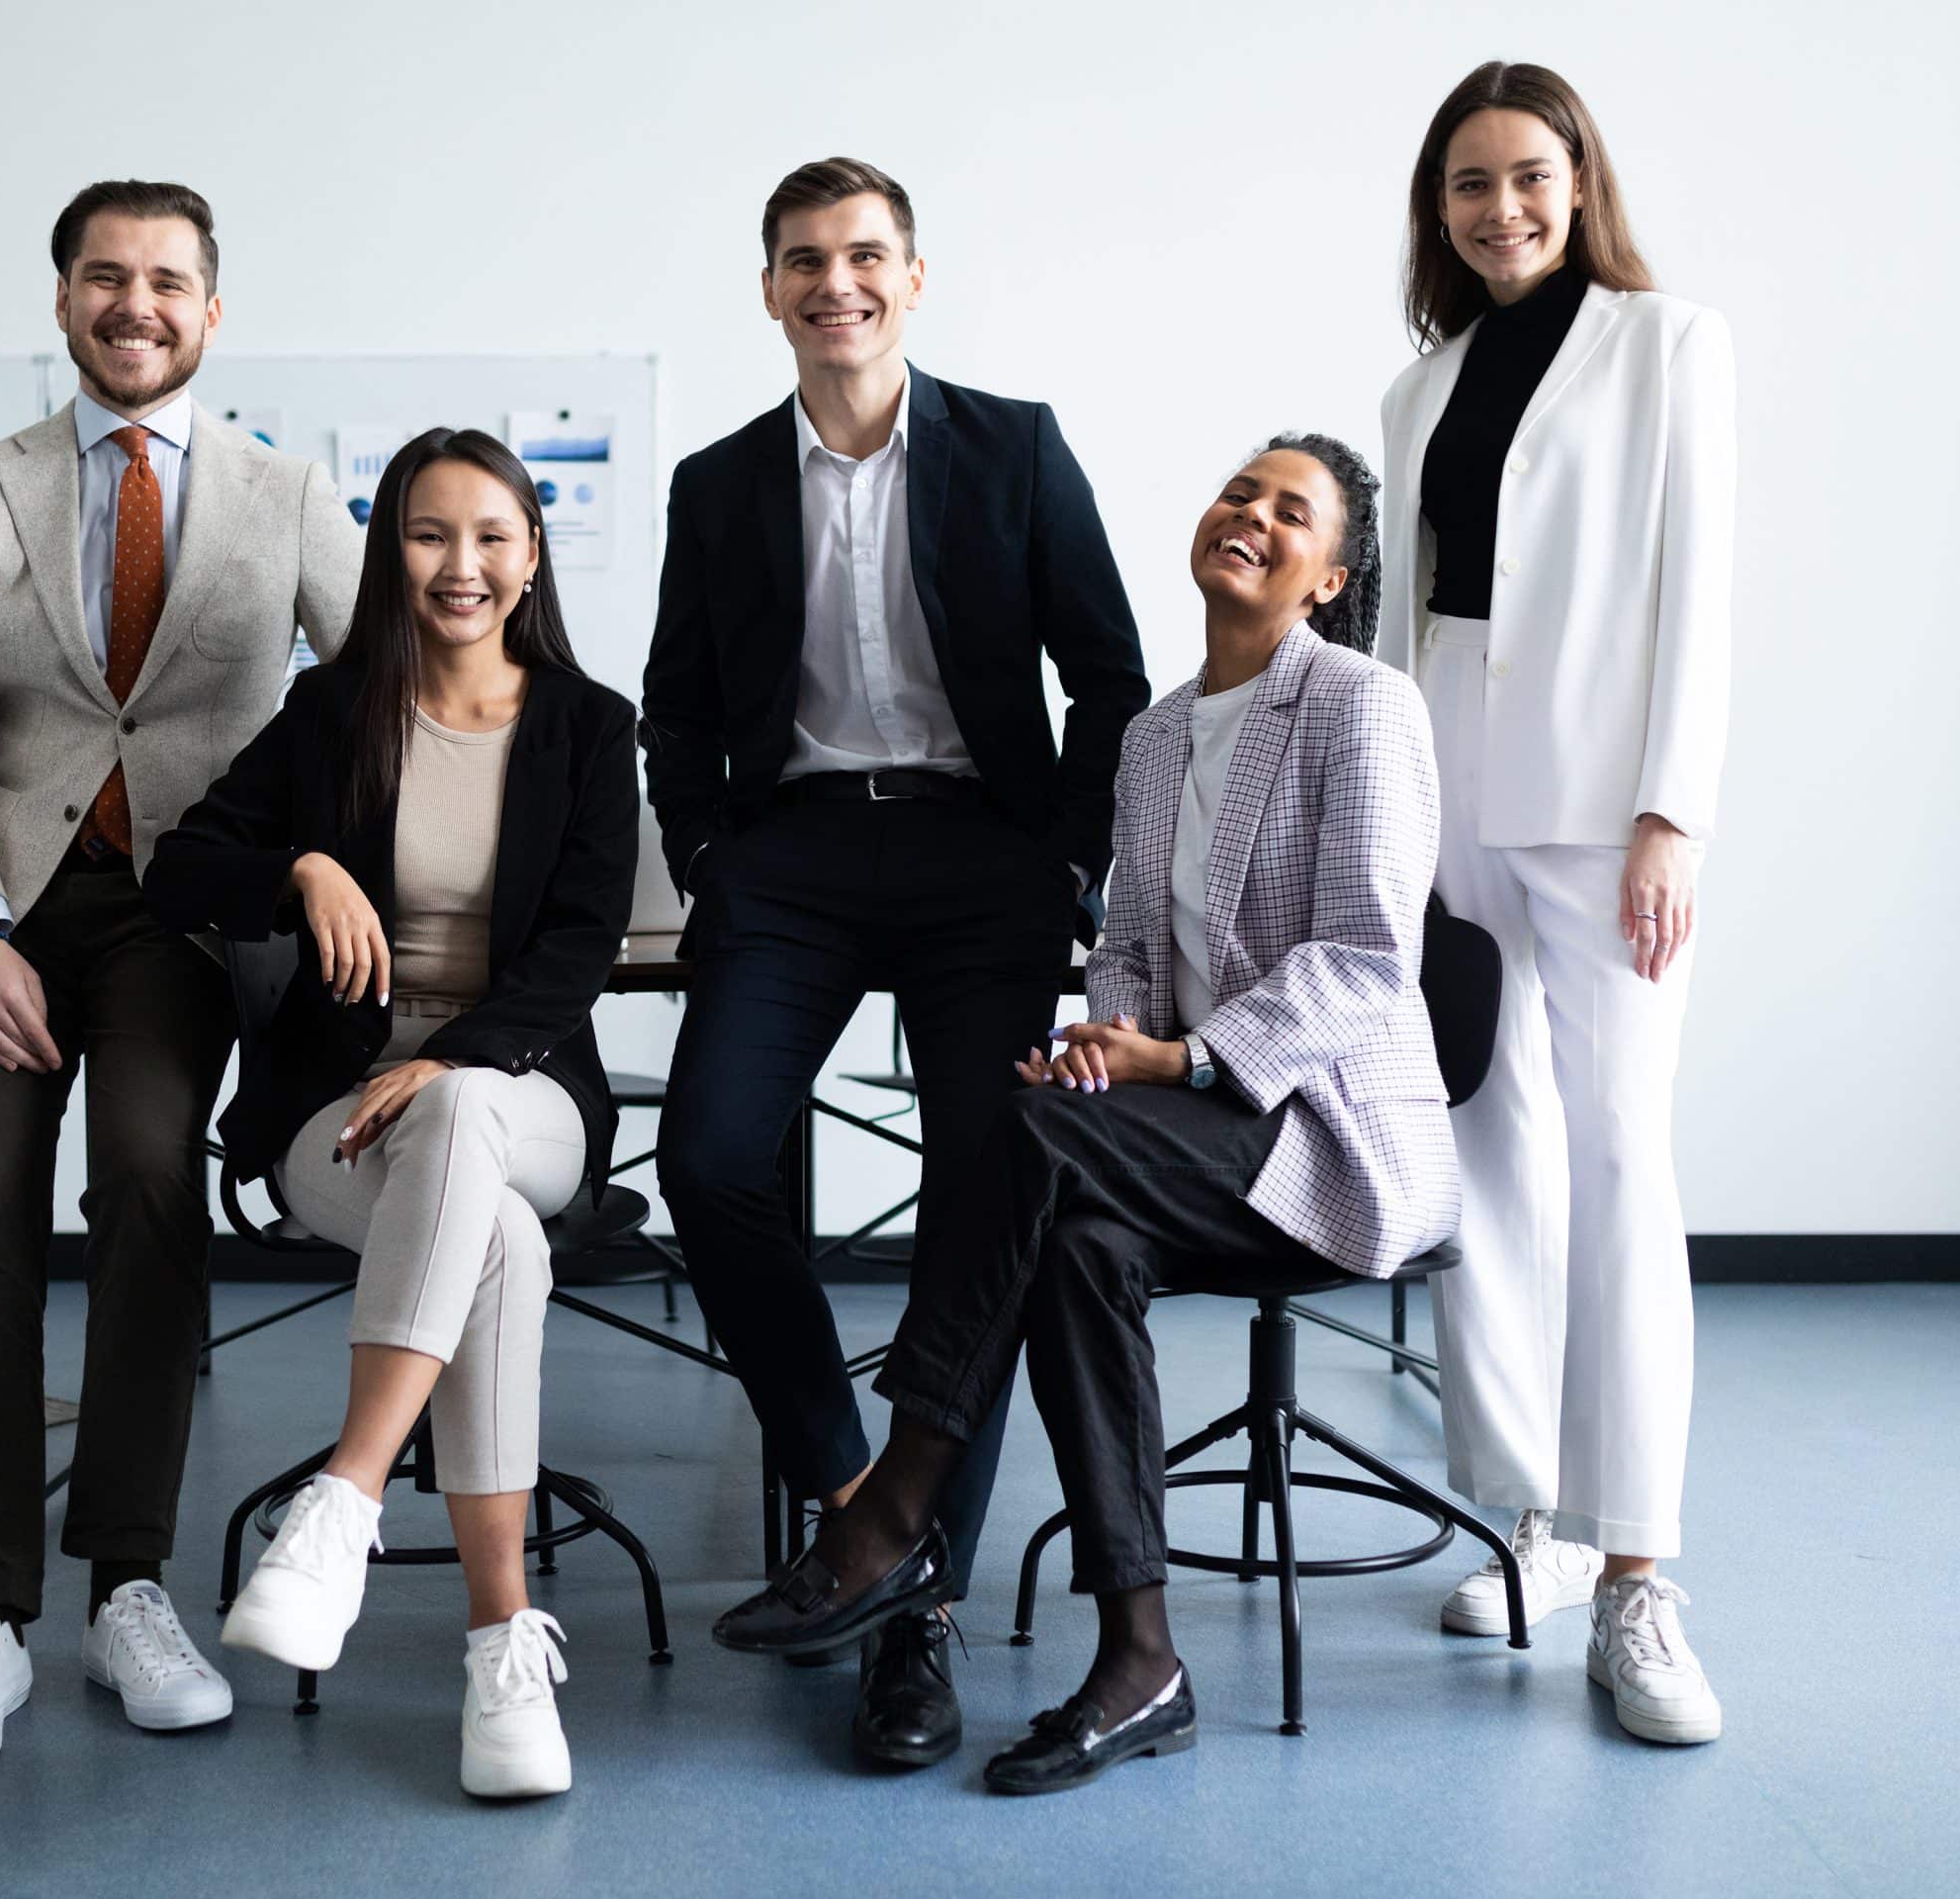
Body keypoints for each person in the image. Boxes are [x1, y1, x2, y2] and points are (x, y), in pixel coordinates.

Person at [716, 435, 1454, 1795]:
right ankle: (1142, 1657)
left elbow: (1365, 959)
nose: (1251, 515)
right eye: (1241, 489)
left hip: (1330, 1130)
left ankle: (896, 1505)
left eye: (1290, 513)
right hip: (1178, 1130)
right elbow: (1122, 956)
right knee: (1071, 1233)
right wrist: (1098, 1052)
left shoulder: (1362, 705)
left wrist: (1173, 1066)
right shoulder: (1156, 732)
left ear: (1330, 575)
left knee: (1024, 1144)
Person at [643, 155, 1150, 1766]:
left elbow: (1113, 681)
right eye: (804, 260)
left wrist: (1063, 859)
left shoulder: (1013, 447)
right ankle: (866, 1499)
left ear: (913, 279)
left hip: (976, 855)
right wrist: (716, 863)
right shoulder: (718, 484)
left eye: (865, 257)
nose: (834, 284)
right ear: (771, 289)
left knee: (987, 1179)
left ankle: (908, 1620)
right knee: (711, 1157)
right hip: (789, 859)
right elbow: (673, 705)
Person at [0, 180, 362, 1776]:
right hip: (8, 909)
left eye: (167, 281)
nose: (134, 303)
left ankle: (129, 1585)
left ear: (212, 311)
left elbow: (381, 703)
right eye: (105, 276)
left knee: (151, 1180)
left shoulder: (288, 495)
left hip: (185, 914)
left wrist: (322, 856)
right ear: (65, 298)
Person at [142, 428, 640, 1800]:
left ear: (531, 555)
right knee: (506, 1256)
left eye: (491, 536)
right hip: (337, 1122)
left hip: (524, 1100)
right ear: (389, 554)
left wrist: (460, 1057)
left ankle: (344, 1497)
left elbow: (584, 942)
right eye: (429, 534)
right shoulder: (332, 714)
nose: (460, 564)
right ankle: (500, 1657)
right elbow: (184, 870)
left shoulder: (591, 730)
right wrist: (301, 864)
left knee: (469, 1112)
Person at [1377, 60, 1735, 1745]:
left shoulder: (1668, 348)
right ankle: (1535, 1529)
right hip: (1449, 791)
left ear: (1580, 180)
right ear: (1437, 207)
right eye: (1469, 184)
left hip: (1603, 811)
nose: (1500, 208)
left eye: (1528, 175)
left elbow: (1699, 593)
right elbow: (1410, 624)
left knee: (1618, 1157)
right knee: (1485, 1152)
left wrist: (1672, 810)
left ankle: (1644, 1574)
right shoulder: (1420, 383)